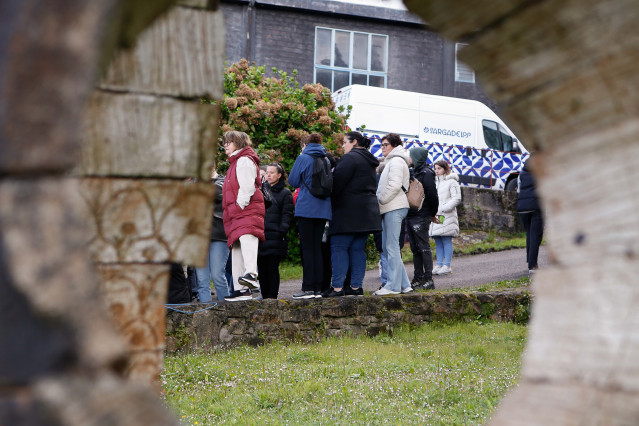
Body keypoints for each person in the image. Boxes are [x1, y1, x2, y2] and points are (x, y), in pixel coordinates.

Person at [323, 131, 381, 297]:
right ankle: (356, 287)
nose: (342, 146)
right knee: (357, 249)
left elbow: (337, 184)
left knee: (339, 248)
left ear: (354, 141)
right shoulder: (369, 160)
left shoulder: (350, 158)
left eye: (345, 142)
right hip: (366, 212)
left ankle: (338, 288)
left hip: (347, 211)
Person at [221, 131, 266, 302]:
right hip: (236, 213)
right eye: (224, 142)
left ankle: (251, 275)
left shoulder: (244, 160)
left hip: (245, 210)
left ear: (239, 143)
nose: (225, 145)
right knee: (237, 247)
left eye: (229, 142)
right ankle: (242, 291)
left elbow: (247, 188)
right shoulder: (234, 162)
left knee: (247, 239)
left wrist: (239, 206)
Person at [288, 133, 332, 299]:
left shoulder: (303, 158)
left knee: (307, 249)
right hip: (323, 209)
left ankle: (307, 288)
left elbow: (292, 181)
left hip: (307, 208)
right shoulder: (326, 159)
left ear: (304, 145)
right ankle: (318, 288)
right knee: (318, 248)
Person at [374, 133, 412, 295]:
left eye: (385, 144)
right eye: (381, 145)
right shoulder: (392, 160)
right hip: (391, 206)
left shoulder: (396, 161)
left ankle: (393, 286)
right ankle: (404, 284)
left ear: (395, 146)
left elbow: (395, 185)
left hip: (393, 206)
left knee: (391, 247)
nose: (382, 147)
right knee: (389, 246)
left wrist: (381, 199)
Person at [257, 163, 294, 299]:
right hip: (261, 235)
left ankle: (272, 297)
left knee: (272, 268)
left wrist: (281, 231)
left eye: (272, 172)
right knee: (261, 269)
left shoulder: (285, 193)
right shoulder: (261, 191)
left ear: (279, 175)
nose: (269, 175)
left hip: (276, 237)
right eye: (267, 172)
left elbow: (287, 214)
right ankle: (264, 295)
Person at [195, 167, 230, 301]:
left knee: (217, 275)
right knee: (202, 279)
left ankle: (225, 309)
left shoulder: (222, 181)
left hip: (218, 234)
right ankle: (205, 312)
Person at [406, 147, 439, 290]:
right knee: (415, 249)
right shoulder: (414, 171)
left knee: (423, 247)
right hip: (412, 214)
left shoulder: (426, 173)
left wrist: (432, 213)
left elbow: (432, 195)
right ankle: (417, 278)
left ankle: (428, 279)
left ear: (417, 157)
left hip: (422, 215)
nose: (409, 158)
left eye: (411, 156)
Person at [430, 160, 461, 275]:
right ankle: (439, 264)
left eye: (439, 168)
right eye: (435, 168)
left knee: (446, 239)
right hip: (437, 215)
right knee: (438, 239)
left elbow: (457, 198)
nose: (437, 171)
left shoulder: (452, 182)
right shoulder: (435, 182)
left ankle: (447, 265)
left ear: (445, 169)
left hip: (446, 214)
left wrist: (443, 208)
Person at [517, 157, 543, 275]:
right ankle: (532, 265)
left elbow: (519, 188)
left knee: (529, 234)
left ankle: (529, 259)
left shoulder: (522, 173)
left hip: (522, 207)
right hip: (536, 205)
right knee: (535, 235)